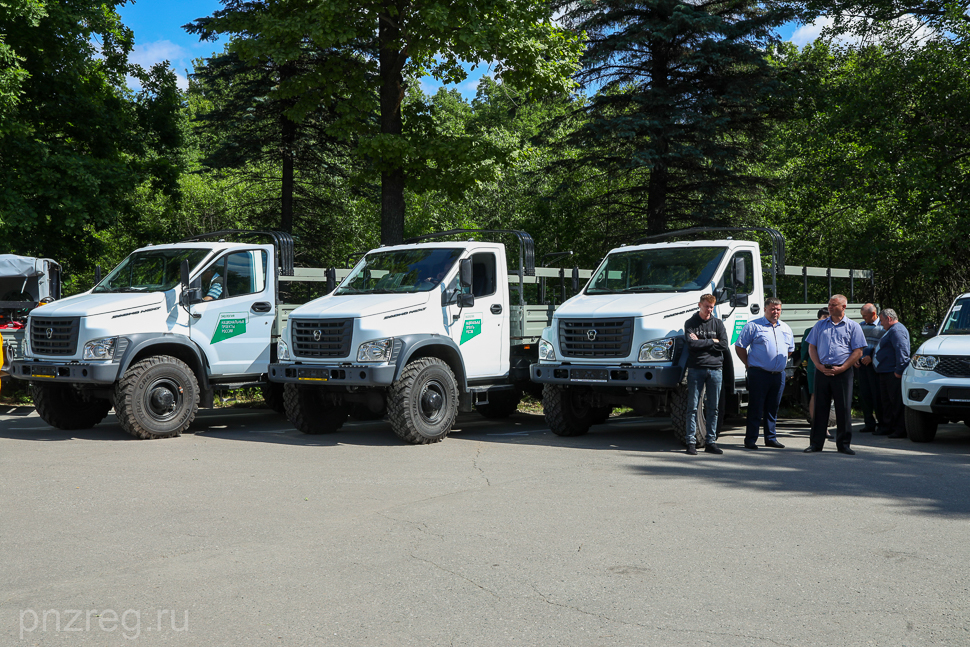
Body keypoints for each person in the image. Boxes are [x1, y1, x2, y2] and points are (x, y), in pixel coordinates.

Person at [804, 294, 867, 455]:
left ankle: (844, 444)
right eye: (829, 304)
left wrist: (844, 367)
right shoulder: (820, 325)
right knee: (820, 408)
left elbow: (858, 351)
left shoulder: (853, 326)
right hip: (822, 370)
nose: (830, 307)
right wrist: (818, 365)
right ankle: (816, 444)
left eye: (834, 305)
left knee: (843, 408)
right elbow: (812, 347)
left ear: (843, 307)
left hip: (843, 372)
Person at [735, 297, 795, 449]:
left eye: (778, 309)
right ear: (765, 309)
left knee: (773, 407)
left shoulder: (786, 328)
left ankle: (771, 438)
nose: (775, 312)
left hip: (778, 375)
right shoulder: (753, 326)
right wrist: (748, 364)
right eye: (772, 309)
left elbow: (790, 350)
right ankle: (750, 440)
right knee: (756, 407)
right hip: (759, 373)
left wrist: (777, 363)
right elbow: (740, 346)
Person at [683, 294, 728, 455]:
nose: (709, 310)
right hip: (697, 368)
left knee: (713, 408)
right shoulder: (691, 323)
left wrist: (702, 341)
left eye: (712, 307)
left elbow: (724, 344)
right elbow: (691, 344)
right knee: (692, 407)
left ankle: (711, 442)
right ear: (699, 305)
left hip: (716, 369)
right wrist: (712, 341)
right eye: (707, 306)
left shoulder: (717, 323)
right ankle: (691, 442)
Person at [873, 308, 911, 438]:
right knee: (887, 402)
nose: (880, 323)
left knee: (896, 402)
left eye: (882, 320)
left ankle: (900, 429)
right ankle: (888, 427)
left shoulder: (897, 330)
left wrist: (899, 371)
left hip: (892, 373)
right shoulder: (890, 330)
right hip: (885, 372)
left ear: (889, 319)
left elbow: (902, 351)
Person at [856, 303, 885, 434]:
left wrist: (872, 357)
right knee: (864, 395)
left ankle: (883, 423)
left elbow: (884, 347)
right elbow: (855, 344)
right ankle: (869, 423)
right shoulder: (860, 326)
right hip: (862, 365)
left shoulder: (883, 327)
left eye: (865, 316)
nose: (864, 318)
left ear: (874, 314)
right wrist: (855, 357)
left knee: (877, 395)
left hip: (876, 366)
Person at [801, 308, 829, 425]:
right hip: (814, 367)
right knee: (814, 394)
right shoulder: (810, 331)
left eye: (829, 317)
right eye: (824, 317)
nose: (827, 320)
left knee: (828, 396)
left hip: (829, 367)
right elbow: (804, 351)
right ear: (819, 318)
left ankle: (825, 423)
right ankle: (815, 423)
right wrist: (805, 364)